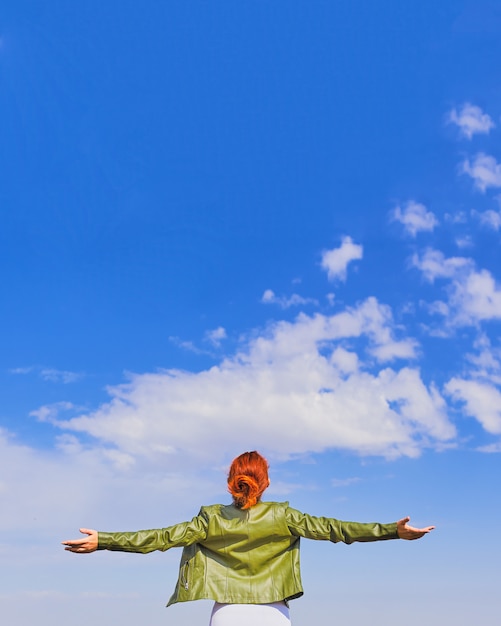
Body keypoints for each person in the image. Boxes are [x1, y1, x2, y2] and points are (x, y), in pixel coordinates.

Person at [62, 450, 434, 626]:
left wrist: (105, 540)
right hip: (275, 615)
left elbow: (161, 537)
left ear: (231, 480)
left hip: (227, 615)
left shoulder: (210, 518)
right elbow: (338, 530)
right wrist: (392, 531)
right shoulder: (285, 516)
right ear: (266, 481)